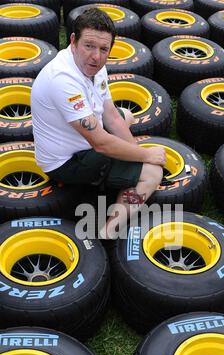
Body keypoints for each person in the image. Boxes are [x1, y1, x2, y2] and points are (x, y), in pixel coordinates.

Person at [31, 7, 165, 239]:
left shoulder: (94, 67)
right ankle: (108, 232)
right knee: (153, 173)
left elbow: (111, 116)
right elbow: (101, 143)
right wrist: (146, 157)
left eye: (104, 49)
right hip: (67, 162)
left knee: (126, 115)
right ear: (73, 40)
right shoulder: (63, 80)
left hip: (81, 139)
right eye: (89, 46)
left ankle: (119, 179)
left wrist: (134, 152)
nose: (96, 56)